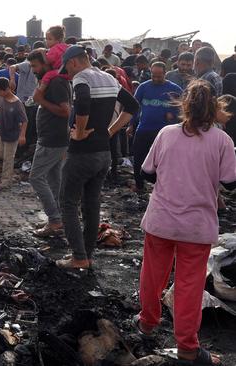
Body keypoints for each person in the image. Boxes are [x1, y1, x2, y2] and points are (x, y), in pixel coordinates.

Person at [135, 80, 235, 366]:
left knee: (153, 276)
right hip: (196, 227)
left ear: (184, 106)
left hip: (161, 221)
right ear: (215, 108)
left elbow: (147, 173)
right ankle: (188, 348)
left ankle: (147, 324)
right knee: (189, 286)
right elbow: (230, 182)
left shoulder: (167, 134)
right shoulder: (222, 140)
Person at [56, 45, 139, 269]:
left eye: (68, 69)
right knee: (92, 205)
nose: (69, 74)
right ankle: (87, 255)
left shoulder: (82, 77)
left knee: (68, 203)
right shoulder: (109, 78)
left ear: (74, 62)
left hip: (82, 154)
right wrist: (111, 131)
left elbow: (82, 101)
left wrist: (81, 131)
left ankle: (78, 257)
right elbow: (132, 105)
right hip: (104, 153)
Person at [22, 50, 72, 237]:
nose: (34, 70)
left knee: (36, 178)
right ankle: (60, 216)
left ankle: (54, 220)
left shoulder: (57, 82)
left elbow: (65, 111)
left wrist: (41, 100)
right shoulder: (54, 81)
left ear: (46, 64)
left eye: (35, 66)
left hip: (52, 139)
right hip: (54, 138)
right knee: (54, 179)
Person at [130, 62, 183, 193]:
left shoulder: (174, 89)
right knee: (138, 157)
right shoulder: (143, 87)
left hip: (165, 132)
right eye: (154, 75)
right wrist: (131, 124)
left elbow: (183, 107)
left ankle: (161, 187)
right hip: (144, 129)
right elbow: (134, 107)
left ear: (165, 74)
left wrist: (174, 114)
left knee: (163, 161)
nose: (156, 78)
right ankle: (139, 185)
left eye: (159, 76)